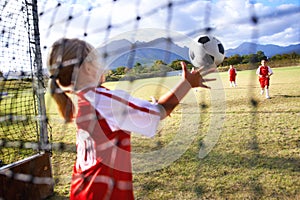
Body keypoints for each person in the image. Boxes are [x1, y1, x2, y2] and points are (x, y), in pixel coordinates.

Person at [47, 38, 216, 200]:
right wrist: (187, 83)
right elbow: (158, 113)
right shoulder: (104, 100)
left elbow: (128, 115)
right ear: (87, 68)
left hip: (81, 190)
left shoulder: (82, 99)